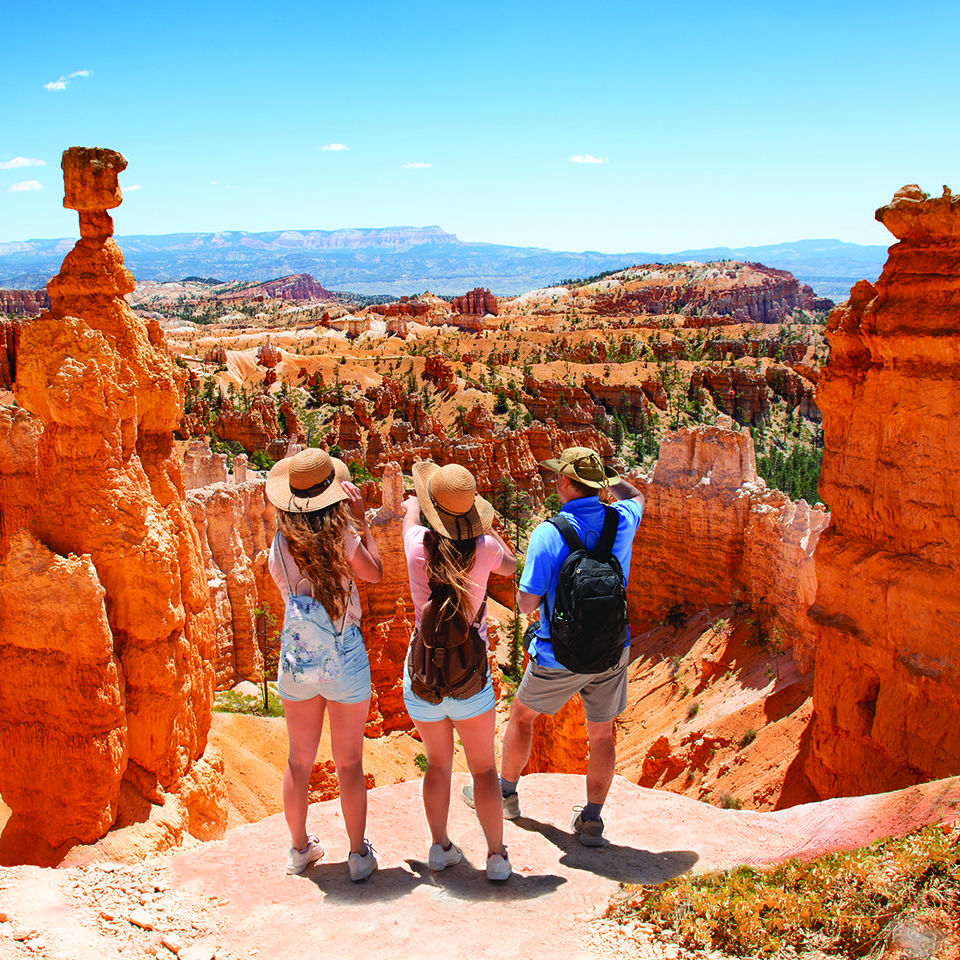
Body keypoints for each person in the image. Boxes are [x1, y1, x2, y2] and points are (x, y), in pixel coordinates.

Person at [482, 446, 644, 846]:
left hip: (558, 654)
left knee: (521, 717)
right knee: (601, 735)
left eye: (559, 476)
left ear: (568, 484)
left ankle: (505, 796)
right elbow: (638, 495)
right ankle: (591, 820)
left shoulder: (548, 532)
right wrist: (610, 478)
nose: (555, 481)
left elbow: (525, 602)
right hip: (611, 650)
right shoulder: (622, 519)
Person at [266, 448, 384, 879]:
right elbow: (373, 573)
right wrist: (361, 521)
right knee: (349, 761)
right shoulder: (342, 537)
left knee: (299, 760)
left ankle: (299, 850)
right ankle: (357, 856)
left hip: (298, 658)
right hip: (345, 653)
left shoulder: (279, 544)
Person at [402, 461, 517, 880]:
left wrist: (418, 500)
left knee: (438, 765)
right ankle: (496, 858)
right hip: (471, 676)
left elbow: (411, 514)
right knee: (484, 769)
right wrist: (487, 527)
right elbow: (509, 564)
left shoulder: (415, 542)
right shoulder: (485, 548)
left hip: (424, 676)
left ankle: (440, 848)